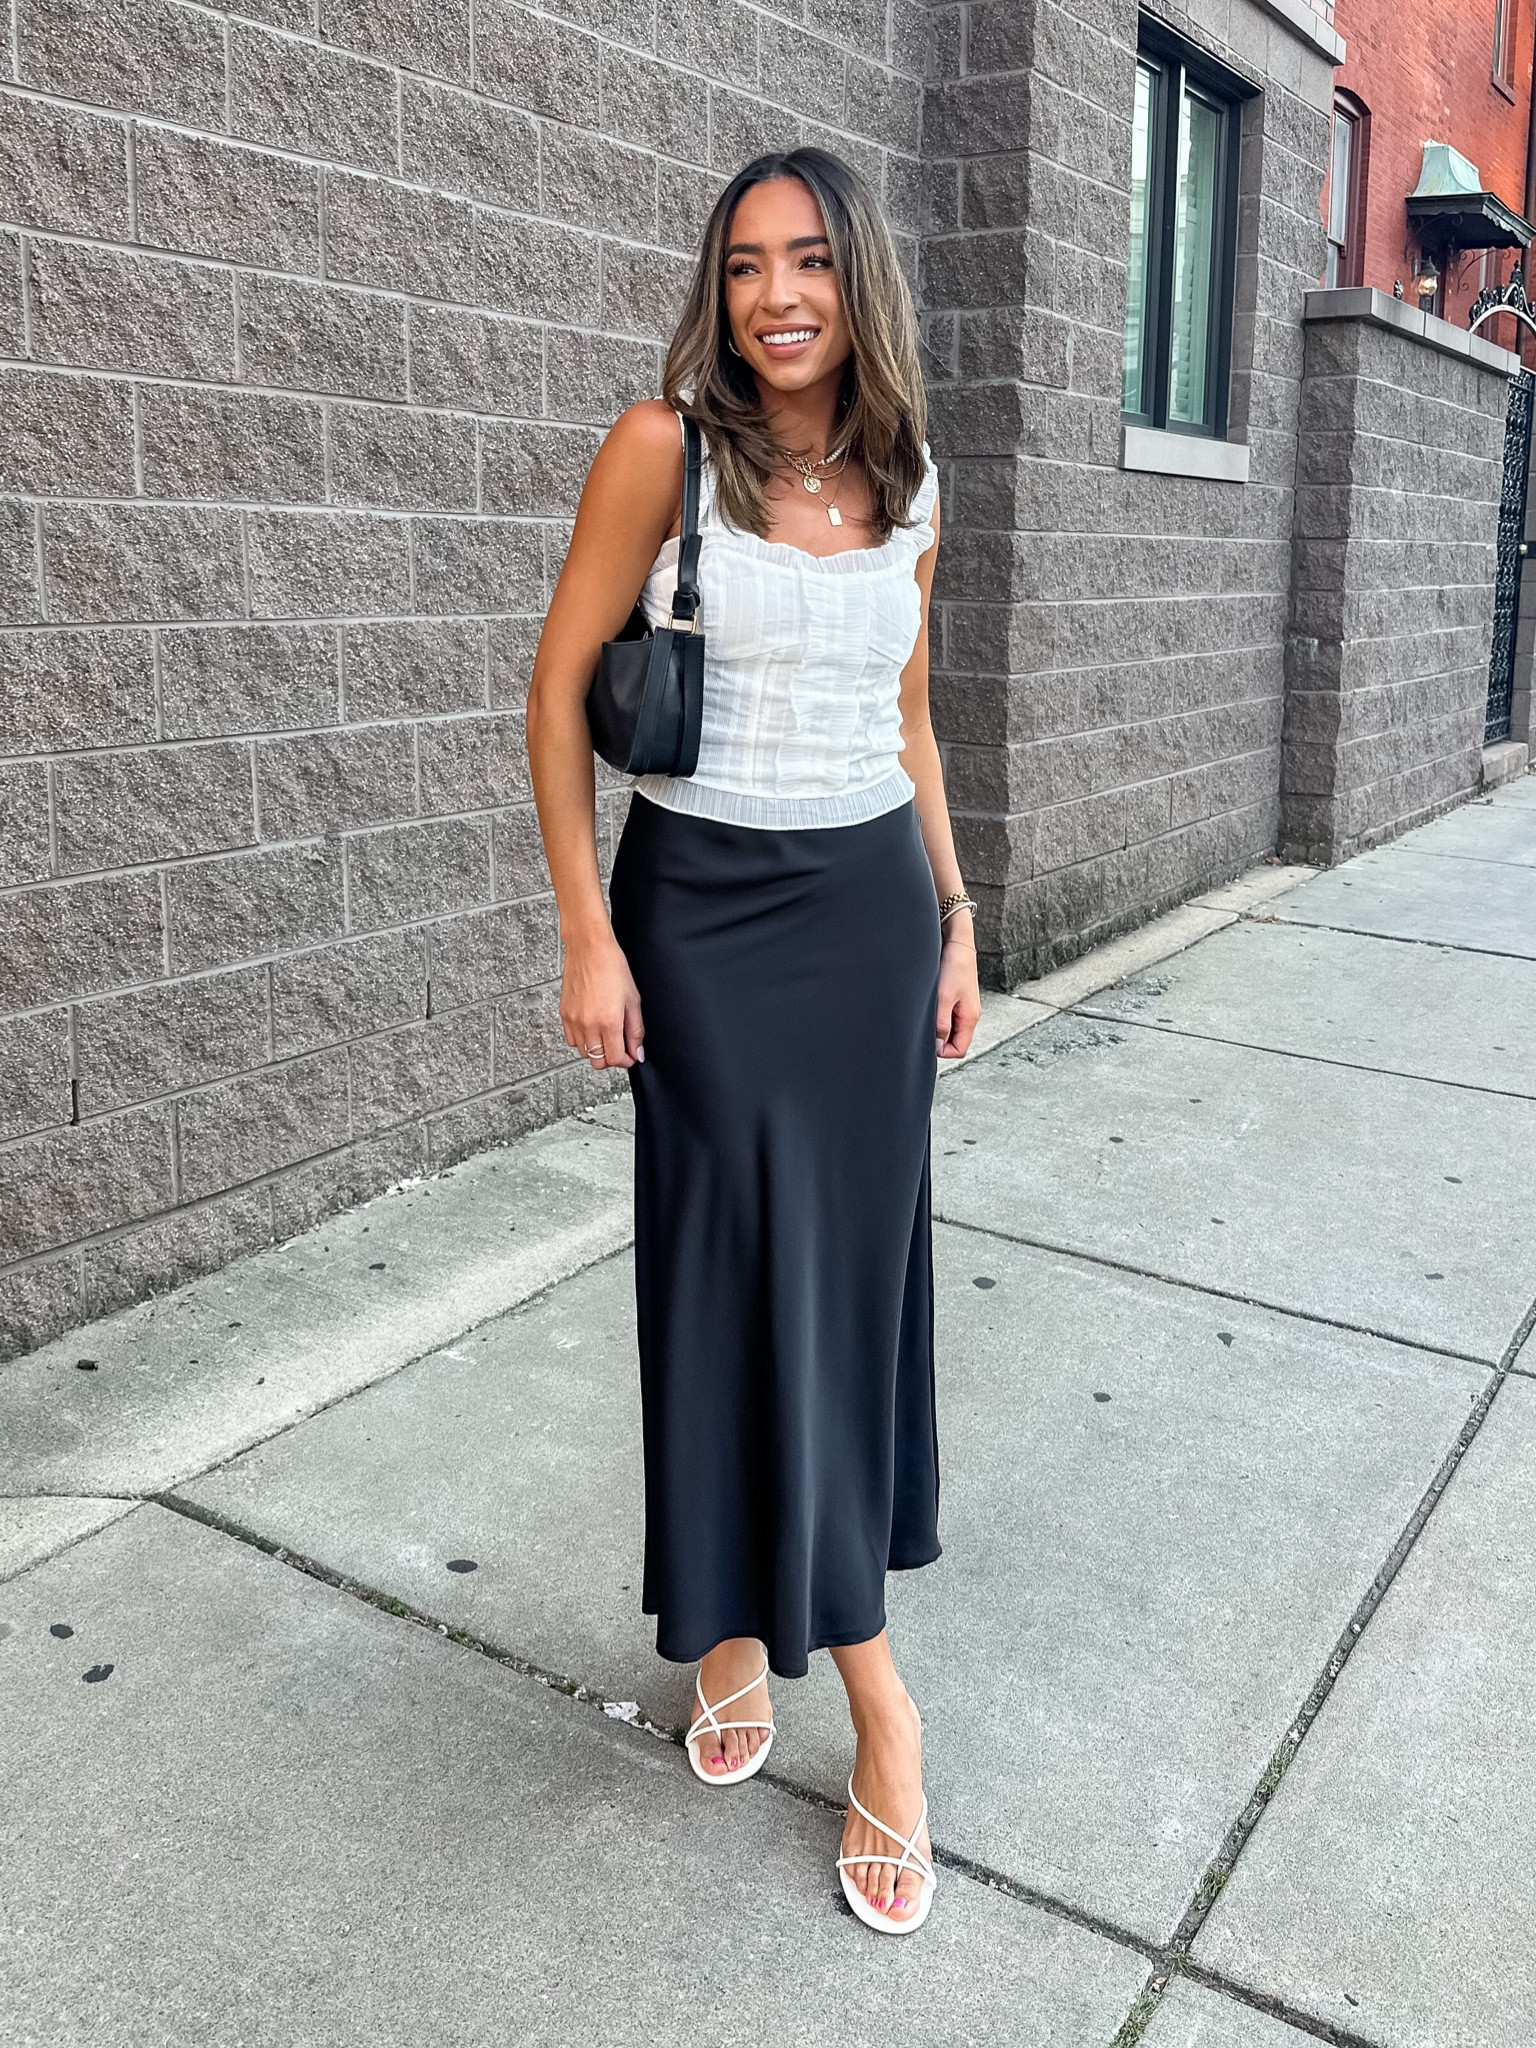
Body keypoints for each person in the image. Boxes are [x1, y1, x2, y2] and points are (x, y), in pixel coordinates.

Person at [527, 146, 981, 1936]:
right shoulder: (666, 453)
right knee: (724, 1280)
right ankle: (737, 1622)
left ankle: (873, 1702)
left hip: (870, 916)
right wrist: (586, 933)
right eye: (742, 268)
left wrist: (955, 917)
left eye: (805, 262)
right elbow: (558, 693)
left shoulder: (914, 476)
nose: (775, 295)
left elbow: (914, 721)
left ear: (856, 278)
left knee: (850, 1295)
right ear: (715, 292)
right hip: (700, 924)